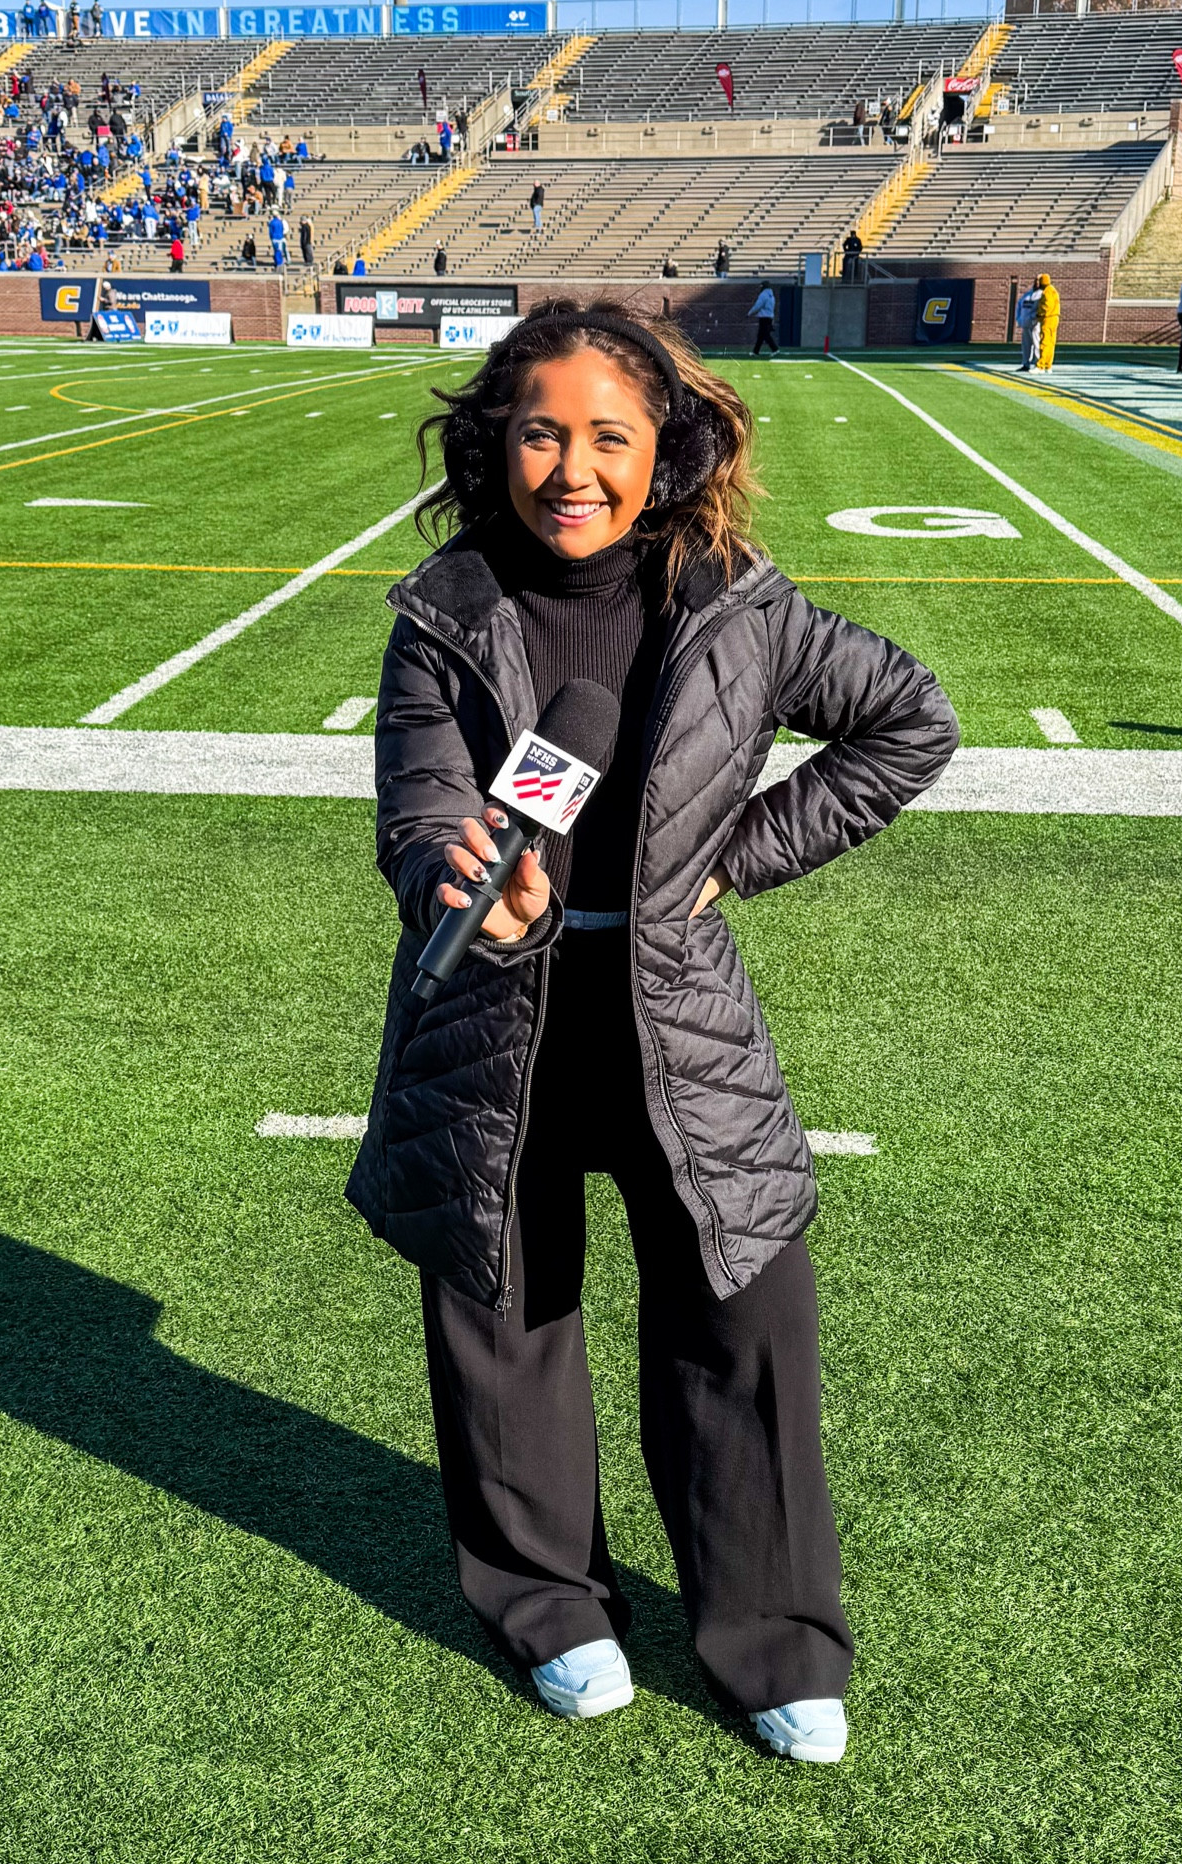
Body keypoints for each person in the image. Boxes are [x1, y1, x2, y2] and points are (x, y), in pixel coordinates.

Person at [346, 299, 958, 1758]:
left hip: (678, 1013)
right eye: (542, 432)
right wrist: (453, 872)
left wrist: (741, 853)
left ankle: (771, 1639)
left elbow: (908, 723)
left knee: (743, 1312)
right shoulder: (446, 612)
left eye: (608, 437)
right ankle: (549, 1605)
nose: (573, 468)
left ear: (664, 449)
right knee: (506, 1319)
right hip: (495, 1015)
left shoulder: (737, 602)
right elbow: (421, 793)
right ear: (497, 443)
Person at [1014, 279, 1043, 373]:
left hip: (1034, 324)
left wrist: (1034, 317)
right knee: (1026, 345)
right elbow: (1019, 306)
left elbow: (1041, 308)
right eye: (1036, 281)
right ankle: (1026, 363)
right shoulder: (1027, 295)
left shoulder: (1041, 294)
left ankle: (1037, 363)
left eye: (1039, 282)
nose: (1036, 283)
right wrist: (1019, 319)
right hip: (1025, 323)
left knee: (1036, 343)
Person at [1034, 272, 1060, 372]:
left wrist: (1039, 314)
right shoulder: (1053, 290)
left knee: (1044, 341)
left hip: (1048, 318)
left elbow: (1047, 305)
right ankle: (1048, 365)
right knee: (1051, 343)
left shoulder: (1047, 292)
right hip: (1054, 317)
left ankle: (1040, 365)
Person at [747, 280, 777, 356]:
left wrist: (749, 313)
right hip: (769, 316)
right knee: (761, 335)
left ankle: (775, 349)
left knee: (765, 335)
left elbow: (758, 305)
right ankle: (756, 351)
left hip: (764, 317)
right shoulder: (771, 295)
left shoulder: (763, 295)